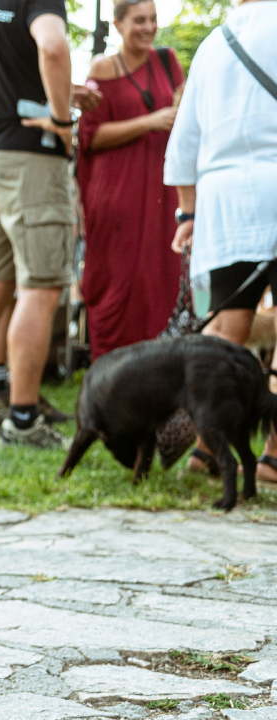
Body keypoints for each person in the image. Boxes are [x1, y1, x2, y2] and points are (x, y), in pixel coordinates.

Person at [0, 0, 77, 449]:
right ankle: (23, 421)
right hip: (31, 158)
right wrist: (63, 119)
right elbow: (54, 47)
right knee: (40, 288)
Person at [164, 0, 277, 479]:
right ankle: (272, 455)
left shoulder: (213, 44)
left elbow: (183, 143)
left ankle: (206, 450)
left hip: (224, 202)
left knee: (227, 330)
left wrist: (188, 213)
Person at [77, 0, 184, 359]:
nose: (148, 27)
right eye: (139, 20)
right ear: (118, 24)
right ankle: (110, 366)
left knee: (160, 278)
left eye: (153, 20)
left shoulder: (168, 62)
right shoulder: (103, 67)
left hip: (161, 187)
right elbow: (90, 136)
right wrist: (149, 122)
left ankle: (158, 367)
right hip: (116, 189)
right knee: (117, 277)